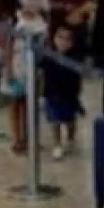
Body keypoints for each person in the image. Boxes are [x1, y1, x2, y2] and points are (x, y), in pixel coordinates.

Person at [4, 0, 47, 155]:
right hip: (17, 66)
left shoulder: (43, 22)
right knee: (15, 103)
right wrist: (8, 68)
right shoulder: (16, 20)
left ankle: (29, 138)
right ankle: (17, 138)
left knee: (30, 106)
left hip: (34, 69)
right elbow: (9, 44)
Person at [41, 22, 84, 158]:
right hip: (52, 93)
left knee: (70, 119)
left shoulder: (76, 57)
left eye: (68, 38)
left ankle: (70, 139)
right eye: (60, 37)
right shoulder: (48, 56)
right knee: (54, 119)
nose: (63, 42)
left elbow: (79, 76)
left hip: (70, 94)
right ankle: (57, 143)